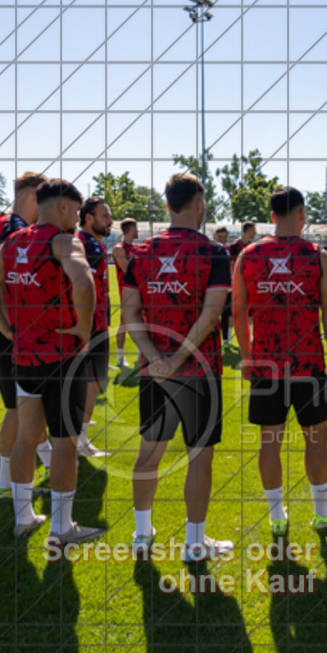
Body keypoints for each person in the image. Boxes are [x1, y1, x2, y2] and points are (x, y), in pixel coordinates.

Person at [0, 178, 106, 545]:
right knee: (65, 443)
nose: (77, 217)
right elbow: (85, 284)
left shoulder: (15, 239)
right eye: (77, 210)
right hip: (62, 358)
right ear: (63, 206)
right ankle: (62, 527)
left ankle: (23, 519)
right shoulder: (66, 240)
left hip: (25, 356)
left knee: (25, 436)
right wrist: (83, 329)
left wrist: (6, 328)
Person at [121, 173, 234, 562]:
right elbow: (212, 313)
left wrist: (155, 358)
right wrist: (177, 358)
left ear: (168, 205)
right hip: (199, 371)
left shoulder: (141, 252)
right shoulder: (215, 253)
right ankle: (194, 543)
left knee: (149, 453)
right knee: (199, 455)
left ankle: (141, 535)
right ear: (199, 205)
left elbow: (129, 313)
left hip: (156, 373)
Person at [233, 186, 327, 536]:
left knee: (269, 441)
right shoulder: (319, 256)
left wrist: (246, 357)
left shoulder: (249, 255)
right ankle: (322, 511)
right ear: (301, 214)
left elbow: (238, 315)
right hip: (308, 365)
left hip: (266, 365)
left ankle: (277, 517)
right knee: (316, 439)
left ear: (271, 216)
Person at [0, 171, 51, 499]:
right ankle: (5, 485)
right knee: (18, 408)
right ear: (34, 195)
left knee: (26, 404)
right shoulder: (15, 229)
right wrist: (13, 327)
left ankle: (45, 462)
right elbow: (4, 280)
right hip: (8, 328)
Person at [75, 197, 114, 458]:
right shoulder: (87, 245)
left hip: (94, 323)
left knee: (92, 380)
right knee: (90, 381)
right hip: (90, 326)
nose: (110, 220)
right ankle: (79, 440)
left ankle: (78, 433)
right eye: (105, 215)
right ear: (89, 217)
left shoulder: (91, 243)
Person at [224, 222, 257, 348]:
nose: (255, 232)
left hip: (250, 282)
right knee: (233, 311)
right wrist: (232, 279)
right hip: (237, 282)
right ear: (248, 230)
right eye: (254, 230)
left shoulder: (252, 246)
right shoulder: (235, 245)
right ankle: (229, 339)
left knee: (250, 310)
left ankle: (250, 338)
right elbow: (230, 263)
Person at [112, 218, 139, 368]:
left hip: (140, 291)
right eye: (136, 228)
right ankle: (120, 358)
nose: (138, 231)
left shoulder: (136, 247)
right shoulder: (119, 248)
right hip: (127, 292)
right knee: (125, 324)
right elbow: (127, 270)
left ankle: (141, 356)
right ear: (130, 229)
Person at [213, 226, 233, 344]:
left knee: (227, 312)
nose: (222, 239)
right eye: (220, 237)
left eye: (224, 237)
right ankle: (213, 339)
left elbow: (231, 265)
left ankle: (225, 339)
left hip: (226, 286)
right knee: (213, 313)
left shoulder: (227, 249)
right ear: (216, 236)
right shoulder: (211, 249)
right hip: (213, 286)